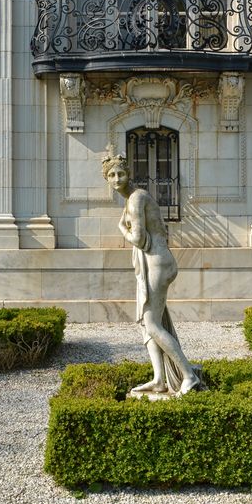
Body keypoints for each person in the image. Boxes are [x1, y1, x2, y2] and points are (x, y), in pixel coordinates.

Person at [102, 150, 201, 397]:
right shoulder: (132, 200)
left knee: (153, 324)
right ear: (106, 179)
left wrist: (120, 229)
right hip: (150, 263)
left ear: (129, 174)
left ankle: (188, 375)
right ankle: (159, 379)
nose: (117, 179)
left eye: (121, 173)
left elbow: (138, 238)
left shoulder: (136, 199)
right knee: (147, 324)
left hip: (157, 262)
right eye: (112, 175)